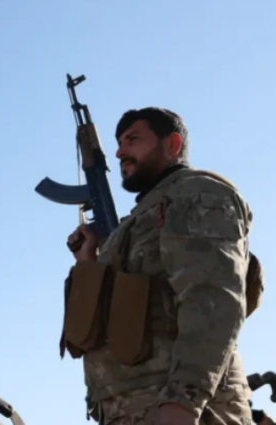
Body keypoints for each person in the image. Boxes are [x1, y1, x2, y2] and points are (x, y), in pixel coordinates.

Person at [60, 107, 255, 425]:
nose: (120, 152)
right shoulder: (134, 223)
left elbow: (212, 298)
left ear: (173, 144)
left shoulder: (195, 193)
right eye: (119, 143)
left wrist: (184, 400)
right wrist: (88, 261)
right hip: (132, 410)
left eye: (133, 139)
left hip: (186, 409)